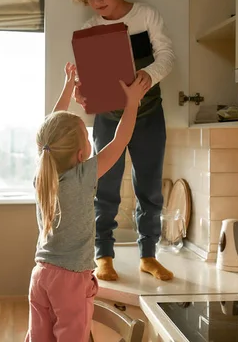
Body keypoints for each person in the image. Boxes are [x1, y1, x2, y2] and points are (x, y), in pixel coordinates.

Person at [25, 62, 150, 341]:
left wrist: (68, 87)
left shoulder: (42, 173)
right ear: (82, 154)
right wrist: (132, 103)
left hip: (41, 275)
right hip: (70, 280)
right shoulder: (82, 176)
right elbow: (119, 141)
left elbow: (51, 131)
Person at [71, 0, 176, 282]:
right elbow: (89, 80)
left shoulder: (145, 16)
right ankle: (104, 255)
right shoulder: (89, 29)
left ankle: (148, 256)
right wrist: (81, 91)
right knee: (105, 188)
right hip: (108, 117)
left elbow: (167, 57)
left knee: (149, 188)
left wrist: (148, 75)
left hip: (148, 113)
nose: (97, 1)